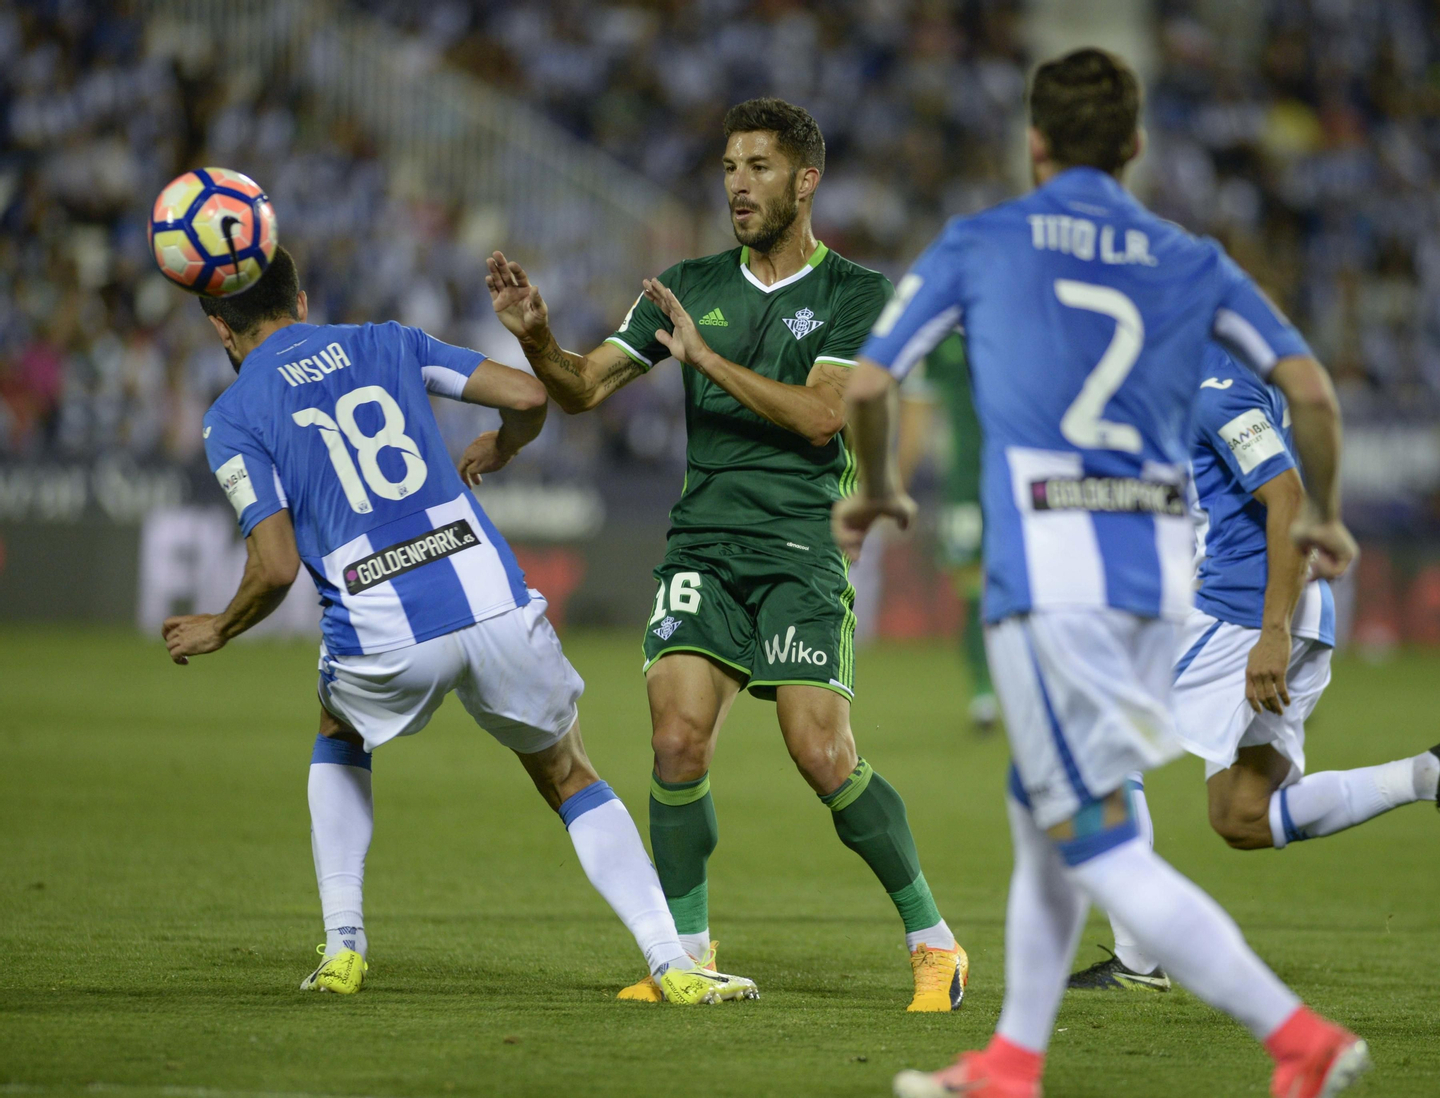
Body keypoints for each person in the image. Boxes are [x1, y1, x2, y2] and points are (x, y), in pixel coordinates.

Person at [835, 49, 1371, 1098]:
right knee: (1043, 815)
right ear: (1132, 148)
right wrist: (1332, 515)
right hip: (1155, 584)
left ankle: (1297, 1036)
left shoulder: (983, 241)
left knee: (1091, 837)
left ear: (1032, 143)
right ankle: (1010, 1063)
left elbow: (868, 380)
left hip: (1048, 576)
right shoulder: (1189, 256)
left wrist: (876, 487)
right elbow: (1309, 391)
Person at [161, 248, 756, 1006]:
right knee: (570, 774)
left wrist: (219, 626)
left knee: (339, 729)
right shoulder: (388, 340)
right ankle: (671, 961)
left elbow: (274, 567)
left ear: (221, 328)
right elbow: (530, 395)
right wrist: (502, 446)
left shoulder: (232, 416)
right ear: (303, 300)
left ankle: (343, 946)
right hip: (487, 594)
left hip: (382, 625)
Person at [480, 96, 966, 1011]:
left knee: (821, 754)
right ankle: (688, 951)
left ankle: (935, 942)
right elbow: (583, 389)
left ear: (805, 181)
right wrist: (538, 337)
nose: (738, 186)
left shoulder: (857, 295)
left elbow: (826, 417)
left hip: (801, 548)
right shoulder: (688, 279)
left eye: (758, 168)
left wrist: (704, 361)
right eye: (729, 169)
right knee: (674, 741)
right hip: (704, 541)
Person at [1068, 344, 1440, 993]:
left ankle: (1138, 961)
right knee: (1241, 815)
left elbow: (1285, 493)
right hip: (1272, 608)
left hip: (1247, 613)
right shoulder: (1176, 383)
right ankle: (1427, 775)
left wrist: (1271, 631)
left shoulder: (1214, 387)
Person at [897, 333, 998, 731]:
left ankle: (987, 692)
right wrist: (896, 487)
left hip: (996, 485)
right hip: (974, 485)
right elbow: (917, 420)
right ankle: (985, 694)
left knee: (980, 589)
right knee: (974, 589)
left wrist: (890, 489)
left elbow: (914, 421)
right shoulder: (942, 341)